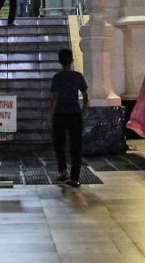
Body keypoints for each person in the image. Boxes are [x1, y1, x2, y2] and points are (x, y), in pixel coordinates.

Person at [49, 47, 89, 187]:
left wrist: (50, 116)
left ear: (59, 61)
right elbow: (84, 94)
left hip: (60, 114)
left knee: (59, 144)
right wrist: (84, 108)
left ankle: (62, 171)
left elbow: (54, 98)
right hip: (74, 113)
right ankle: (75, 176)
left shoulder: (57, 78)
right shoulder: (78, 76)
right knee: (75, 145)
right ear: (72, 60)